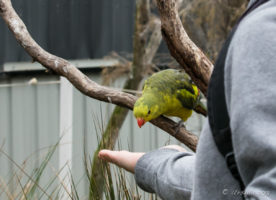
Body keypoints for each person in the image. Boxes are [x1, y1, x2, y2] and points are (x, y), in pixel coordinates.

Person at [99, 0, 276, 199]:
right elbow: (223, 185)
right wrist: (158, 165)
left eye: (145, 115)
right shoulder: (149, 87)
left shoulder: (264, 27)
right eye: (140, 117)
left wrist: (161, 163)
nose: (142, 121)